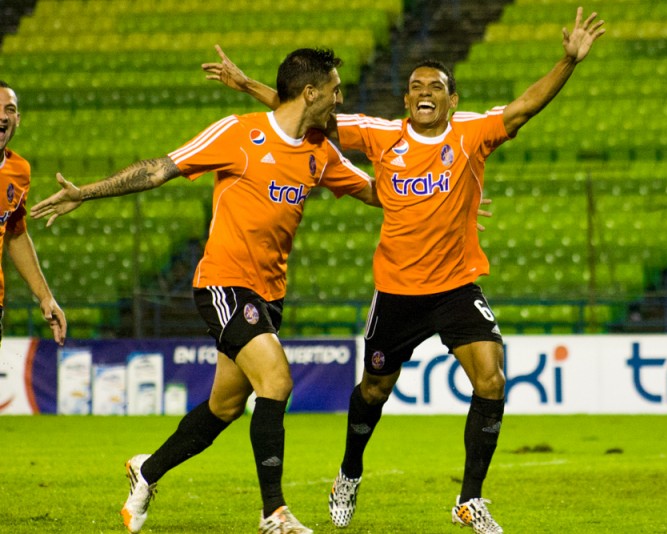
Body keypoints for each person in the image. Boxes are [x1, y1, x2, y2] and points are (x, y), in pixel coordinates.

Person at [204, 8, 604, 533]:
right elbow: (307, 113)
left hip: (457, 286)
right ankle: (349, 472)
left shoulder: (472, 134)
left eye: (434, 86)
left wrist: (568, 61)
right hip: (397, 291)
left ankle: (470, 500)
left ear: (451, 99)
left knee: (491, 378)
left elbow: (525, 107)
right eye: (415, 85)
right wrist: (245, 85)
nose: (423, 92)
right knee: (373, 390)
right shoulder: (380, 135)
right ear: (407, 98)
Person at [31, 48, 380, 534]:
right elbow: (159, 169)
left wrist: (443, 195)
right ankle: (273, 513)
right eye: (335, 90)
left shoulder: (320, 152)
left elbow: (374, 192)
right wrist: (85, 192)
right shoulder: (238, 133)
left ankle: (146, 470)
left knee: (225, 407)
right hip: (223, 282)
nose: (340, 99)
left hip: (269, 295)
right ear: (311, 92)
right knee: (276, 381)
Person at [0, 80, 66, 346]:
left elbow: (16, 235)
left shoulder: (19, 171)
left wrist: (45, 296)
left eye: (10, 109)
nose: (2, 116)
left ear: (18, 119)